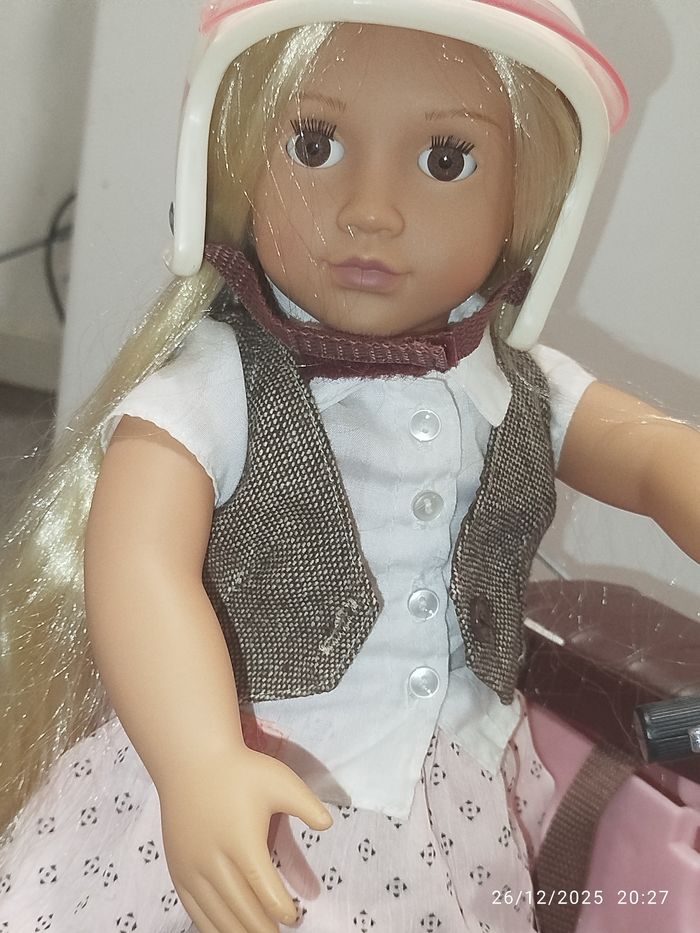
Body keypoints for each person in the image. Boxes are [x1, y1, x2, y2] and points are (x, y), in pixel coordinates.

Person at [1, 2, 698, 932]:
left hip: (445, 795)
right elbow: (138, 563)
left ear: (526, 199)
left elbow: (652, 457)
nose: (372, 211)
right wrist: (196, 759)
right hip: (244, 772)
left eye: (446, 160)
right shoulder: (220, 382)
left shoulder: (514, 384)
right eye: (315, 145)